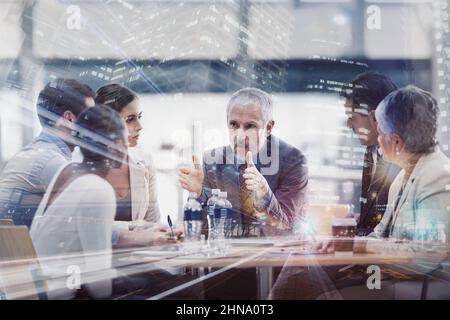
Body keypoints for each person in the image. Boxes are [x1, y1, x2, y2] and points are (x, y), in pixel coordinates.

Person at [315, 86, 450, 299]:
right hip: (397, 277)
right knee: (315, 277)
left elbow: (426, 256)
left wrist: (359, 247)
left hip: (425, 286)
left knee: (326, 294)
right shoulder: (403, 176)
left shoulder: (437, 177)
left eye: (380, 134)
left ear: (396, 142)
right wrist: (351, 242)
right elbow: (381, 234)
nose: (377, 140)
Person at [30, 105, 174, 300]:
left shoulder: (67, 172)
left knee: (151, 281)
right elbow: (99, 286)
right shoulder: (98, 188)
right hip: (68, 295)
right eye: (124, 142)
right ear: (114, 145)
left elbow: (79, 229)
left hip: (45, 291)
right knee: (168, 288)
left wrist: (138, 228)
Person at [178, 87, 308, 299]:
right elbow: (200, 233)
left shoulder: (293, 161)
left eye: (250, 126)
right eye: (233, 125)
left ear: (269, 127)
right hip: (224, 267)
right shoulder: (212, 160)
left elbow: (287, 233)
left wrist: (265, 193)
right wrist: (199, 193)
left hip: (277, 268)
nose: (239, 135)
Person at [0, 79, 95, 227]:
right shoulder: (51, 162)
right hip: (31, 249)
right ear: (68, 118)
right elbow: (90, 220)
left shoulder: (34, 152)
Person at [341, 71, 400, 236]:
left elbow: (396, 226)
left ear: (374, 116)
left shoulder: (402, 158)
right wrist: (362, 220)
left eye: (352, 117)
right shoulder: (371, 151)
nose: (349, 125)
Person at [94, 83, 160, 229]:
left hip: (139, 250)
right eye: (130, 119)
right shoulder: (77, 166)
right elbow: (89, 226)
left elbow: (153, 222)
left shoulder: (145, 161)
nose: (140, 126)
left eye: (139, 117)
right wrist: (135, 227)